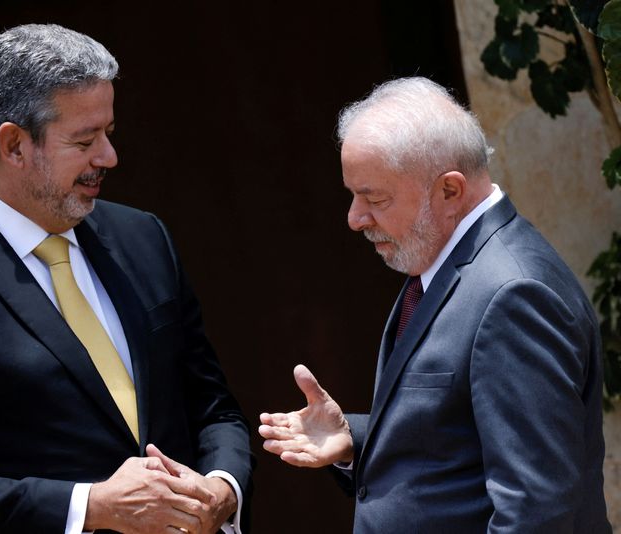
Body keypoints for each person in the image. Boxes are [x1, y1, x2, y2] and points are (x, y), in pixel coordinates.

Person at [0, 23, 252, 534]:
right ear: (15, 144)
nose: (108, 157)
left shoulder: (143, 237)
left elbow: (213, 409)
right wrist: (91, 506)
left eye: (109, 132)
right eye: (85, 140)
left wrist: (223, 486)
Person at [258, 76, 610, 532]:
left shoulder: (514, 295)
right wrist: (356, 438)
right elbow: (458, 437)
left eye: (374, 197)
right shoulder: (447, 263)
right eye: (353, 194)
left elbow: (537, 510)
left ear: (449, 191)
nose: (354, 218)